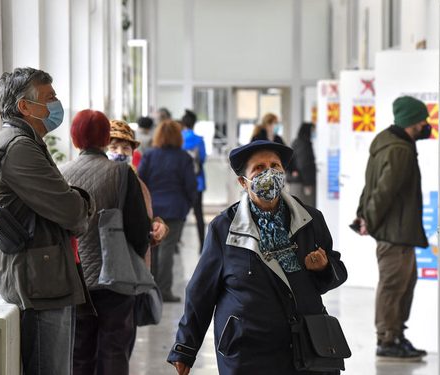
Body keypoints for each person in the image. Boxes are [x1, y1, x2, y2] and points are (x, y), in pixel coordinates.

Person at [167, 140, 347, 375]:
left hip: (306, 347)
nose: (269, 173)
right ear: (243, 182)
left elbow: (335, 274)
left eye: (275, 165)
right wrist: (185, 348)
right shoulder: (225, 227)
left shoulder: (310, 219)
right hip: (248, 348)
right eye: (259, 168)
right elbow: (201, 292)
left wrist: (324, 267)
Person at [0, 67, 93, 374]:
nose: (56, 104)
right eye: (50, 98)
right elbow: (72, 211)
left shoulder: (25, 141)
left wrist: (74, 200)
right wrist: (85, 201)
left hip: (43, 277)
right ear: (25, 106)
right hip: (39, 284)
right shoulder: (20, 148)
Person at [60, 110, 151, 375]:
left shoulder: (60, 174)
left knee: (79, 352)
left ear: (75, 139)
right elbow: (138, 230)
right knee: (114, 350)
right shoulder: (122, 174)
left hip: (74, 278)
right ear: (104, 139)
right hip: (116, 277)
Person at [354, 96, 432, 361]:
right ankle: (387, 339)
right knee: (393, 286)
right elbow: (384, 191)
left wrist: (363, 215)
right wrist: (370, 219)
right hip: (395, 232)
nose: (427, 124)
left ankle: (396, 335)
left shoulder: (388, 143)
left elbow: (371, 186)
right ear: (413, 121)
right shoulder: (399, 150)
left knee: (404, 284)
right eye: (423, 120)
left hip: (397, 230)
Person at [107, 119, 169, 357]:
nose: (120, 153)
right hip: (107, 273)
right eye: (114, 147)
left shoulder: (138, 183)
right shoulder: (104, 179)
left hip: (132, 272)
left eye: (125, 148)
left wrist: (158, 226)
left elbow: (147, 218)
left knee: (123, 340)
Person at [138, 120, 198, 302]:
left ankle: (151, 288)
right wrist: (187, 205)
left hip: (153, 209)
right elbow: (191, 186)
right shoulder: (184, 158)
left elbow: (140, 181)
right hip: (176, 208)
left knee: (152, 248)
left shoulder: (149, 155)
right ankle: (164, 291)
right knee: (167, 249)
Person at [180, 109, 207, 253]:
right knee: (198, 214)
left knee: (180, 214)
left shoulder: (178, 138)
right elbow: (202, 159)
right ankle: (202, 244)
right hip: (198, 181)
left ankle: (176, 243)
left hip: (181, 182)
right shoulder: (199, 139)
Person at [288, 122, 317, 207]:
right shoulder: (304, 144)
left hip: (297, 181)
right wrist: (308, 183)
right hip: (301, 183)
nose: (314, 133)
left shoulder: (297, 142)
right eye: (312, 131)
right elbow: (304, 164)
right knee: (306, 210)